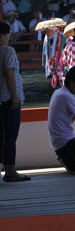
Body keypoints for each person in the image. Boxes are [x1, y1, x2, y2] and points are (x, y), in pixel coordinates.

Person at [0, 21, 29, 182]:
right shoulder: (8, 51)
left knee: (3, 137)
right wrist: (15, 96)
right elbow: (9, 73)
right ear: (4, 35)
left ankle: (6, 169)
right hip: (8, 99)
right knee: (10, 136)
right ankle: (11, 171)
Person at [48, 66, 75, 174]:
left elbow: (68, 122)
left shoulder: (59, 92)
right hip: (66, 144)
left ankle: (68, 159)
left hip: (59, 145)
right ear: (72, 83)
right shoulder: (66, 96)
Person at [35, 18, 66, 87]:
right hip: (55, 69)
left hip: (64, 69)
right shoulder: (47, 40)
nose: (46, 33)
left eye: (48, 31)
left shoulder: (65, 39)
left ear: (54, 31)